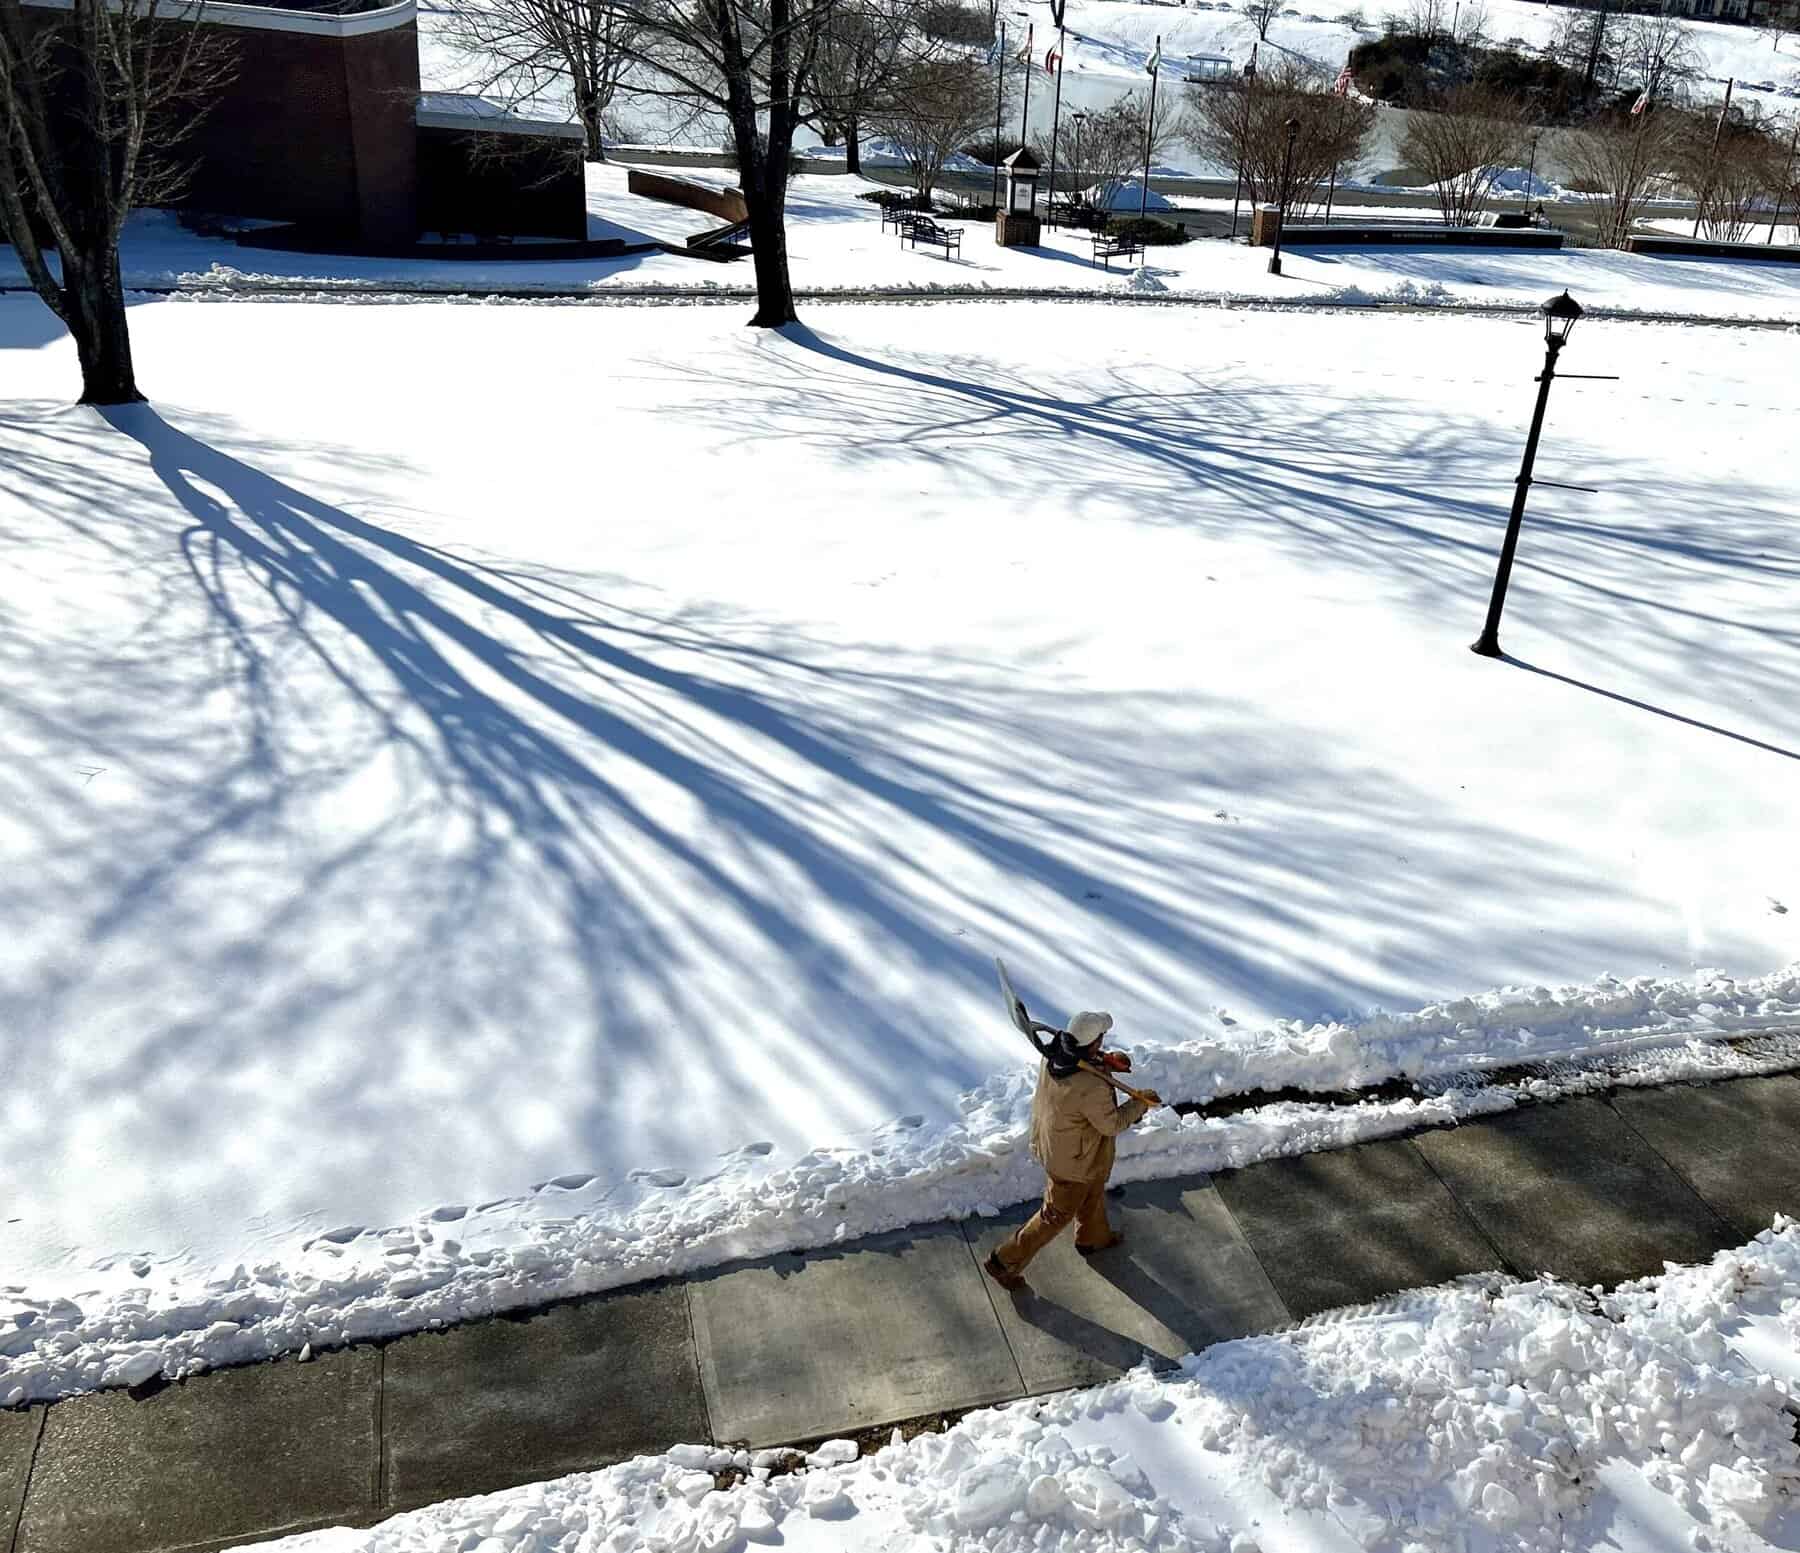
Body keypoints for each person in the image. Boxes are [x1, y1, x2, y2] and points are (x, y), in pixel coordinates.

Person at [984, 1011, 1161, 1290]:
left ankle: (1093, 1238)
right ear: (1092, 1042)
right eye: (1101, 1040)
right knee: (1054, 1216)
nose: (1103, 1042)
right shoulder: (1090, 1087)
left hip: (1067, 1145)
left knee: (1093, 1189)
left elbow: (1084, 1069)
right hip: (1071, 1161)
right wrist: (1140, 1103)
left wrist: (1107, 1061)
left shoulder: (1056, 1052)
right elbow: (1111, 1124)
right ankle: (1003, 1261)